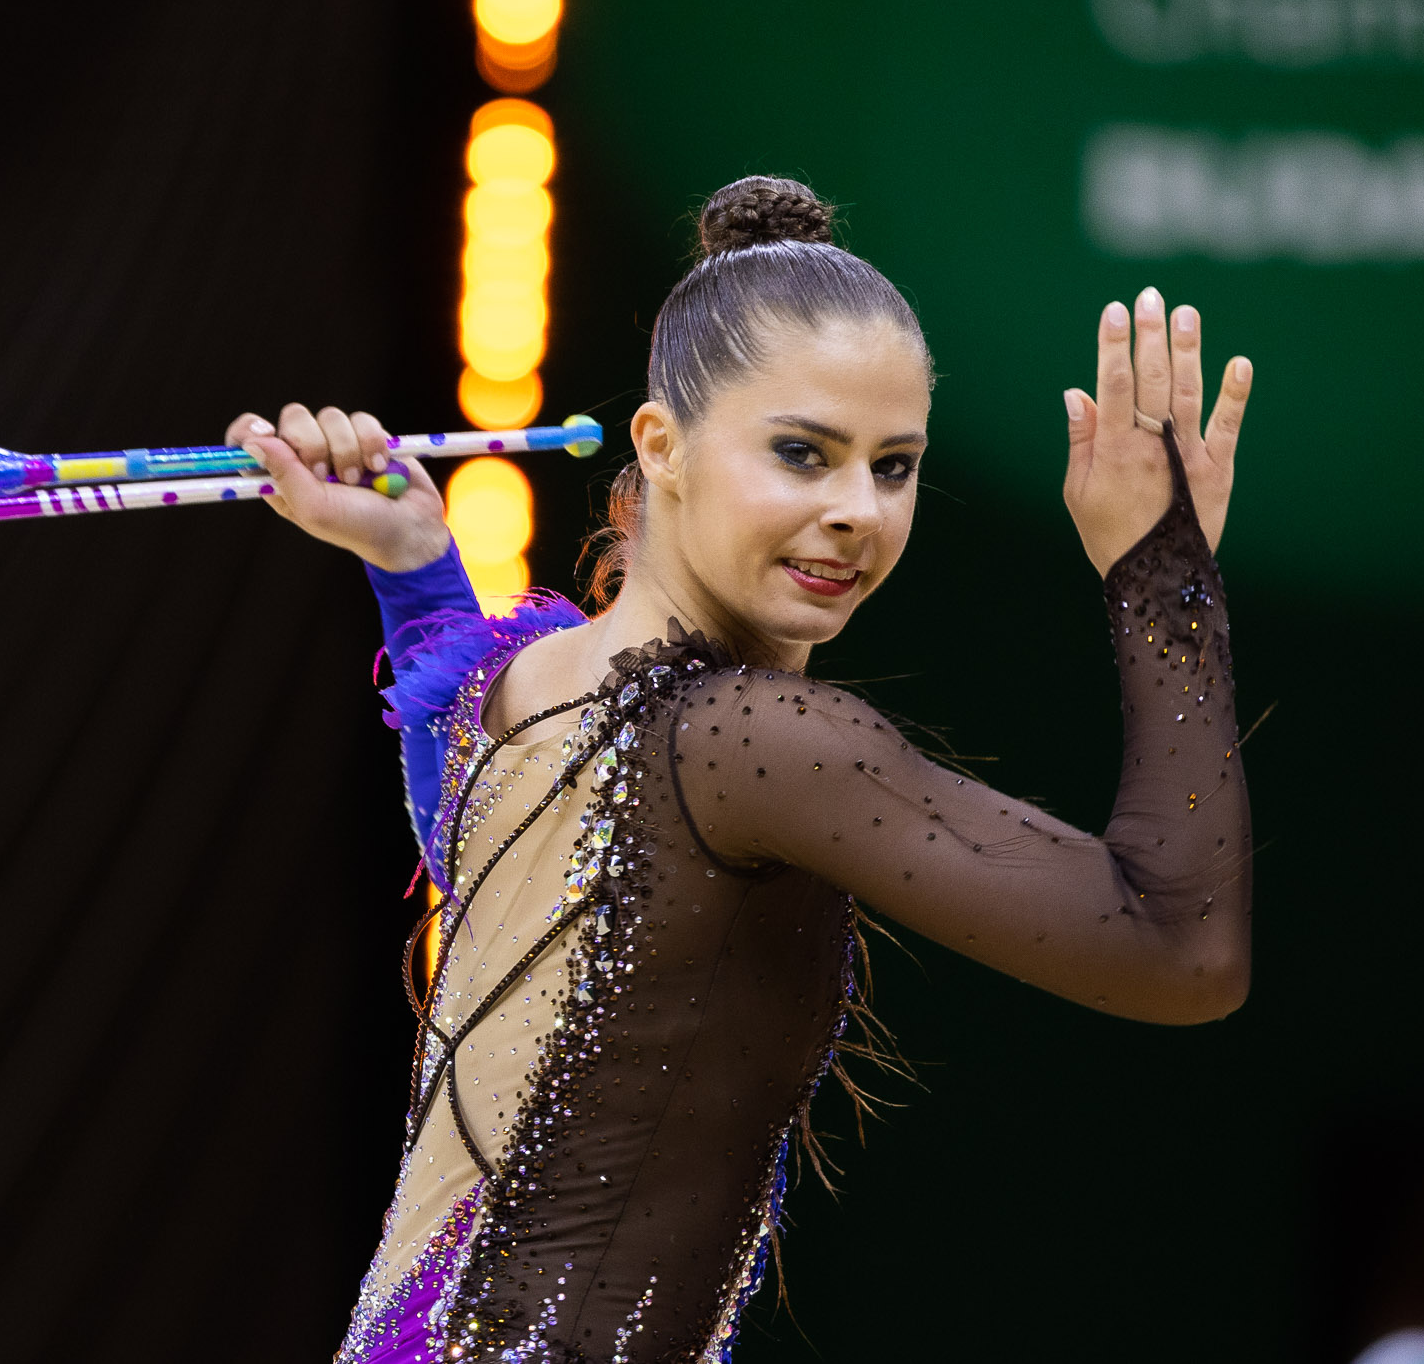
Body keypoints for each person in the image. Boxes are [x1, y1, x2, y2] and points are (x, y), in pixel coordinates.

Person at [226, 175, 1255, 1364]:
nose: (856, 512)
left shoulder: (518, 687)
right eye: (801, 455)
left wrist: (412, 568)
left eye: (893, 466)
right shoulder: (751, 742)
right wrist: (1160, 574)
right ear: (660, 446)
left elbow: (478, 855)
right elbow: (1182, 953)